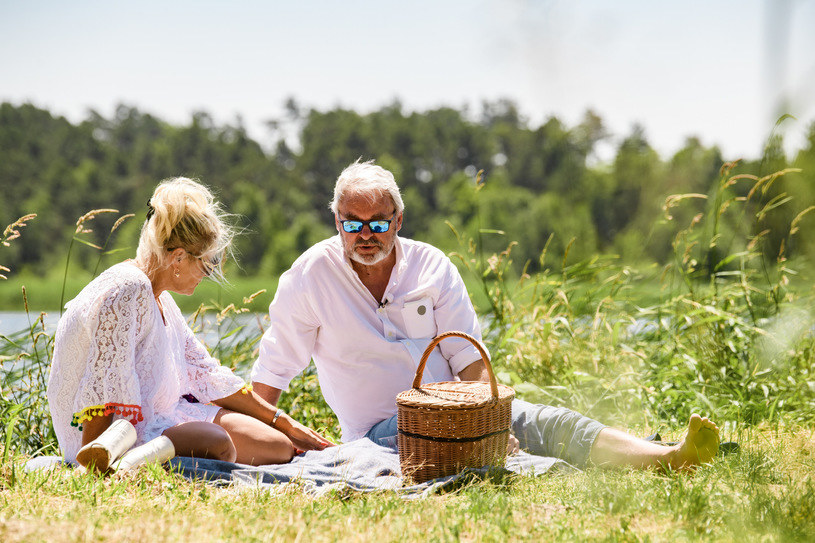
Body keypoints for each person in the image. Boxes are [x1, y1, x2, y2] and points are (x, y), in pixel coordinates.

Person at [251, 160, 719, 471]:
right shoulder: (310, 276)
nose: (365, 234)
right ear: (337, 222)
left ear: (398, 220)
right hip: (382, 431)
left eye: (377, 222)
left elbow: (468, 359)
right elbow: (273, 370)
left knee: (544, 421)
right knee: (486, 446)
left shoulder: (433, 267)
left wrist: (487, 420)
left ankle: (670, 457)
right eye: (353, 223)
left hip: (460, 405)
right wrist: (251, 443)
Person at [47, 177, 333, 472]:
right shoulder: (126, 289)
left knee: (279, 446)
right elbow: (102, 389)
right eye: (206, 264)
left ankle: (152, 455)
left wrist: (282, 421)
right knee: (218, 441)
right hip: (118, 435)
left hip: (166, 415)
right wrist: (91, 464)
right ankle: (130, 462)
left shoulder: (161, 299)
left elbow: (206, 374)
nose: (208, 273)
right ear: (179, 258)